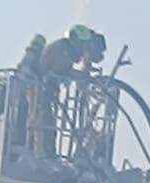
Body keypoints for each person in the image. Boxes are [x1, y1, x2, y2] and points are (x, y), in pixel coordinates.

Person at [35, 25, 105, 158]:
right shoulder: (62, 50)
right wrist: (85, 72)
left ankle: (46, 154)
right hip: (38, 93)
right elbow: (65, 71)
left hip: (42, 93)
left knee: (46, 125)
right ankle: (45, 155)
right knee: (45, 126)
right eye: (84, 47)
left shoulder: (63, 49)